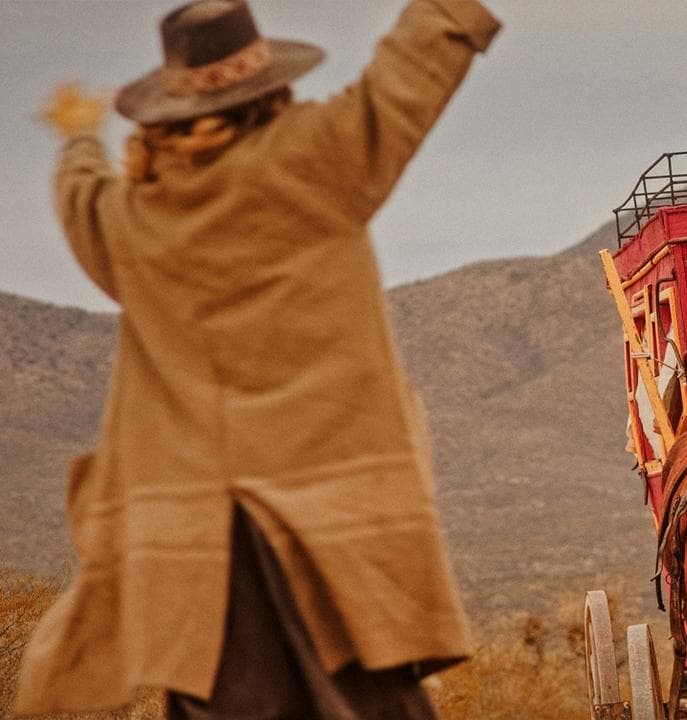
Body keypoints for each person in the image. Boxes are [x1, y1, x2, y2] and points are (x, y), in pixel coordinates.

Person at [20, 1, 498, 718]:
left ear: (173, 103)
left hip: (199, 549)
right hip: (337, 537)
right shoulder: (323, 158)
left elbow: (80, 196)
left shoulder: (135, 219)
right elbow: (413, 68)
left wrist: (80, 135)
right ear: (269, 84)